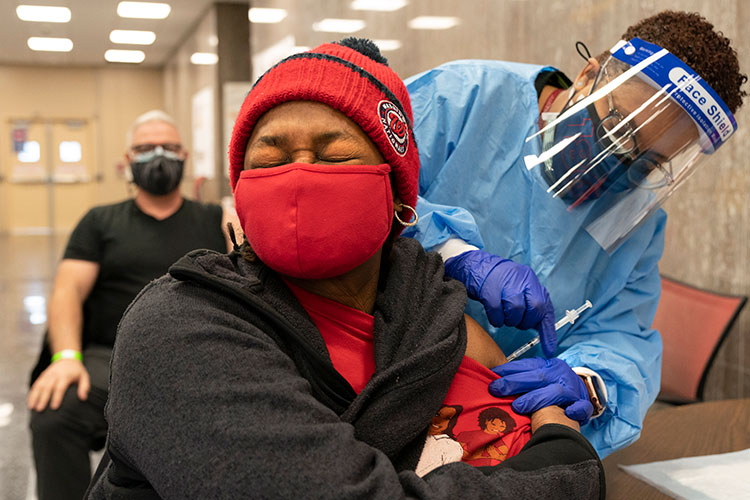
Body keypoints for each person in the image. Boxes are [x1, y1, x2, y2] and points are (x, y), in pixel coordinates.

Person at [87, 38, 604, 499]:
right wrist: (564, 461)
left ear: (400, 199)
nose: (300, 178)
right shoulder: (178, 329)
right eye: (268, 162)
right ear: (239, 194)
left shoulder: (432, 315)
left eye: (335, 158)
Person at [403, 10, 747, 457]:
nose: (622, 161)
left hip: (491, 427)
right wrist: (454, 253)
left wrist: (588, 381)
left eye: (650, 162)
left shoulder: (637, 225)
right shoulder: (463, 99)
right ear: (588, 75)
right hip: (380, 375)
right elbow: (368, 186)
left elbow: (621, 335)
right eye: (621, 128)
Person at [27, 110, 233, 500]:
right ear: (126, 161)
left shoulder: (215, 220)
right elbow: (67, 291)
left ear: (185, 156)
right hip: (112, 359)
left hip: (199, 359)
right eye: (144, 148)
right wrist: (67, 357)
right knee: (55, 414)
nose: (158, 156)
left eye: (169, 147)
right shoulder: (100, 222)